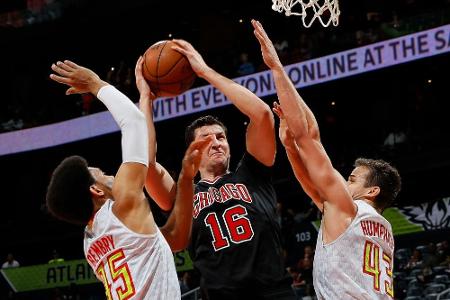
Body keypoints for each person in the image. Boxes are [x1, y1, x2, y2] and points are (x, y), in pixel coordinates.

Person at [252, 19, 402, 299]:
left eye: (352, 179)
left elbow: (309, 134)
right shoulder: (381, 227)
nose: (345, 182)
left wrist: (277, 68)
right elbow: (313, 187)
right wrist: (290, 148)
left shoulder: (349, 210)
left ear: (372, 190)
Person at [46, 58, 212, 299]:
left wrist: (186, 180)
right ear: (97, 191)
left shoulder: (90, 242)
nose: (111, 174)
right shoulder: (122, 207)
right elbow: (134, 123)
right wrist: (96, 83)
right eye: (101, 174)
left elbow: (173, 240)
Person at [145, 39, 296, 299]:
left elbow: (261, 114)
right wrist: (145, 100)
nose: (216, 142)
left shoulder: (252, 173)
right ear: (191, 150)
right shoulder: (184, 194)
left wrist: (203, 71)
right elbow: (146, 167)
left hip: (274, 293)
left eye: (221, 137)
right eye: (206, 138)